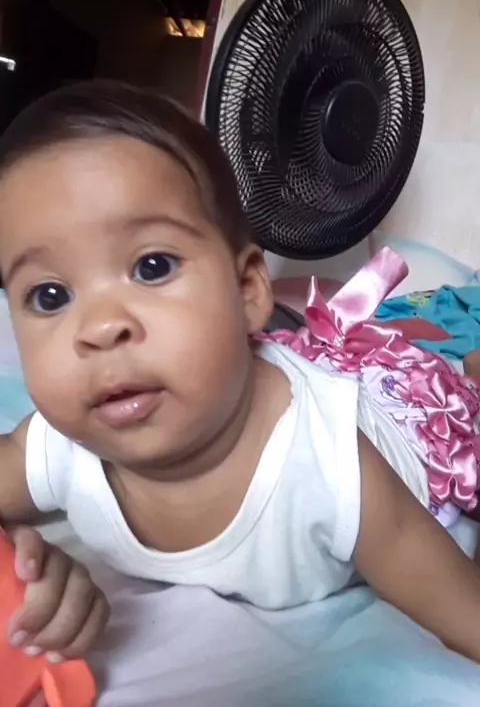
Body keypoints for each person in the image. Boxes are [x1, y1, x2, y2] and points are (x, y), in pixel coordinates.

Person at [1, 81, 480, 677]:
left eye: (152, 266)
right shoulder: (55, 448)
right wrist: (21, 567)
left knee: (458, 394)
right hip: (277, 361)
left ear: (249, 290)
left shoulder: (332, 467)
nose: (99, 327)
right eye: (49, 296)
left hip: (398, 421)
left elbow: (466, 614)